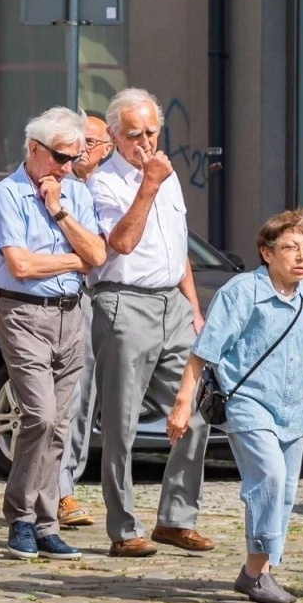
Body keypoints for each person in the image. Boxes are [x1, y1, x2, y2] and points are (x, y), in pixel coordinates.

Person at [169, 210, 303, 603]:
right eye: (291, 248)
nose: (302, 257)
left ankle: (257, 574)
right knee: (270, 478)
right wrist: (182, 404)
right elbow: (203, 352)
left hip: (292, 409)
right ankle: (256, 572)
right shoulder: (242, 292)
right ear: (266, 252)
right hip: (248, 402)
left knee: (282, 493)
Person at [89, 88, 212, 558]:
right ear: (115, 135)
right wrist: (148, 186)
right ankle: (123, 528)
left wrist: (193, 306)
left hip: (172, 306)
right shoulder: (104, 183)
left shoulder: (167, 176)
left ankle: (176, 518)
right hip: (124, 302)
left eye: (152, 132)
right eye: (135, 134)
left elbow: (176, 246)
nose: (145, 142)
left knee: (194, 411)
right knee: (120, 422)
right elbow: (120, 242)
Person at [0, 108, 106, 559]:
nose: (66, 166)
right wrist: (76, 259)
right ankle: (19, 515)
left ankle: (46, 523)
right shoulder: (6, 194)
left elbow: (98, 253)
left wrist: (59, 212)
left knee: (61, 425)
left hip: (70, 314)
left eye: (73, 157)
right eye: (59, 156)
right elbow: (21, 265)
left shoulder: (74, 193)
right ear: (34, 149)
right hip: (24, 314)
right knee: (39, 415)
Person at [56, 112, 114, 527]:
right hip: (65, 297)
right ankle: (59, 493)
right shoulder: (60, 188)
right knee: (66, 399)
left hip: (104, 298)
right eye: (76, 141)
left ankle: (65, 485)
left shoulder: (108, 188)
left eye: (89, 142)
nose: (80, 150)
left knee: (85, 398)